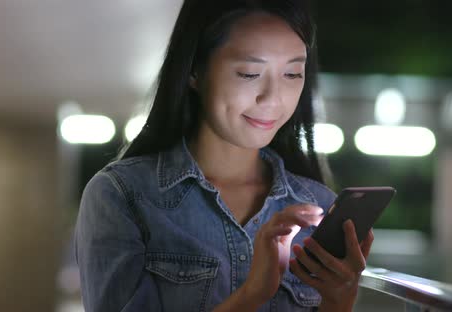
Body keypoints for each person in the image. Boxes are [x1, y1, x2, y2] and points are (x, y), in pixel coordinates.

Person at [75, 0, 374, 311]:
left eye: (292, 73)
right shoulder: (123, 196)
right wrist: (252, 294)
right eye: (249, 73)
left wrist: (339, 301)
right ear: (194, 70)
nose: (273, 99)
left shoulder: (319, 208)